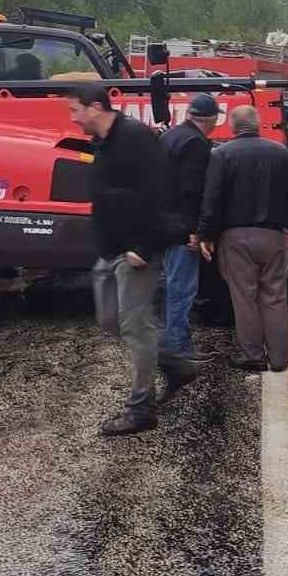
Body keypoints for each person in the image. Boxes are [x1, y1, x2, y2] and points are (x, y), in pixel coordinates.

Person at [71, 81, 199, 436]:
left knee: (135, 326)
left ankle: (141, 408)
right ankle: (174, 365)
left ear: (94, 107)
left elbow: (160, 195)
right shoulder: (103, 142)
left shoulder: (136, 138)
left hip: (135, 252)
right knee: (111, 321)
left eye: (75, 110)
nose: (73, 118)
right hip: (109, 249)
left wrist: (143, 246)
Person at [197, 105, 288, 372]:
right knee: (275, 296)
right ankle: (280, 359)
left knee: (244, 297)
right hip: (272, 235)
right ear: (258, 125)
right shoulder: (279, 152)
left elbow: (212, 200)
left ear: (232, 127)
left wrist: (206, 235)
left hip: (234, 237)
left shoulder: (221, 154)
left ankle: (253, 355)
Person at [158, 93, 217, 359]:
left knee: (173, 284)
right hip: (182, 227)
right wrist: (196, 231)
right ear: (213, 118)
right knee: (182, 288)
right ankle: (177, 347)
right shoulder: (196, 143)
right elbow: (191, 192)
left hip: (164, 223)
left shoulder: (170, 135)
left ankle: (170, 340)